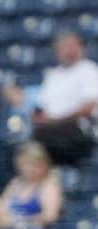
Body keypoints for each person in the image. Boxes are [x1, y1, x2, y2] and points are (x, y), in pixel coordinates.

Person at [32, 31, 98, 166]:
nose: (70, 51)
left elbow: (88, 108)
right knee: (25, 145)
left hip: (80, 129)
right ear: (57, 51)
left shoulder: (88, 69)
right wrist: (38, 118)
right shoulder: (53, 75)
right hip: (51, 130)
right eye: (65, 47)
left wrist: (54, 120)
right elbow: (40, 107)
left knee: (45, 137)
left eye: (73, 46)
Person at [0, 142, 63, 229]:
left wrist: (21, 221)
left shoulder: (49, 185)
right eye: (25, 164)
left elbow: (50, 216)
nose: (29, 169)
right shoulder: (15, 183)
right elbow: (1, 209)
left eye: (34, 165)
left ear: (44, 164)